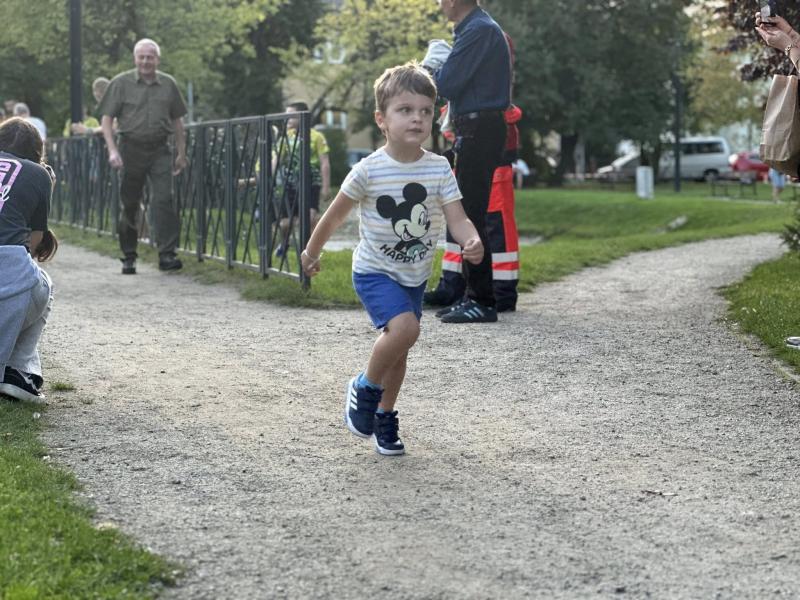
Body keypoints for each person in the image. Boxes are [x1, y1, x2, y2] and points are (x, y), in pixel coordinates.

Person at [300, 62, 483, 455]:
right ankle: (363, 387)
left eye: (425, 111)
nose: (417, 118)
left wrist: (471, 239)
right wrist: (311, 252)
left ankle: (384, 418)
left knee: (399, 347)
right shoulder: (368, 170)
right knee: (404, 331)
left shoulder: (438, 168)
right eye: (405, 110)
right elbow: (334, 215)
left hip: (413, 275)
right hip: (374, 272)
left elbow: (458, 218)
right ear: (382, 119)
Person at [421, 0, 511, 324]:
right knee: (467, 210)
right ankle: (470, 295)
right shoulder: (474, 28)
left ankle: (482, 300)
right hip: (475, 127)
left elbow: (446, 84)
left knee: (470, 213)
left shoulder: (478, 30)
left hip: (480, 128)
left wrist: (432, 69)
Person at [98, 38, 188, 275]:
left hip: (160, 149)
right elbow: (106, 118)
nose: (146, 61)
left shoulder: (169, 84)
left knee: (163, 200)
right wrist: (112, 150)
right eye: (142, 57)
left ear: (157, 59)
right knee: (130, 203)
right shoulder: (120, 83)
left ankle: (167, 254)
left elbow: (178, 121)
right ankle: (129, 255)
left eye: (150, 57)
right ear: (135, 59)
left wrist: (181, 152)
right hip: (130, 149)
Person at [0, 117, 58, 403]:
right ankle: (18, 370)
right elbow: (32, 248)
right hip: (9, 272)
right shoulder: (38, 174)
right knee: (42, 283)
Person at [272, 101, 331, 256]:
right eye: (286, 116)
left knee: (311, 217)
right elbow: (277, 158)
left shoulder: (316, 136)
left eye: (291, 116)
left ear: (302, 116)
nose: (288, 119)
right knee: (285, 223)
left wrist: (326, 186)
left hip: (311, 181)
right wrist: (270, 176)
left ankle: (310, 252)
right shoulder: (287, 137)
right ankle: (284, 243)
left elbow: (324, 162)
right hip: (290, 182)